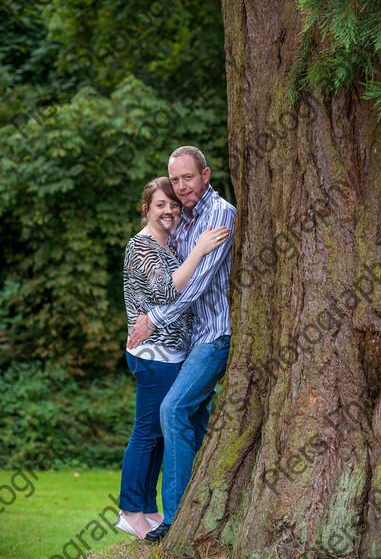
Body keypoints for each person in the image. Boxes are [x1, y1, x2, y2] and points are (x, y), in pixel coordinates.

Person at [127, 146, 236, 541]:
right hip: (189, 341)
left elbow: (197, 285)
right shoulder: (184, 220)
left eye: (187, 177)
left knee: (172, 410)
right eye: (175, 180)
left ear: (205, 175)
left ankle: (174, 518)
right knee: (197, 423)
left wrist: (154, 320)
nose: (181, 186)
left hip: (214, 336)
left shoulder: (218, 214)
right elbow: (168, 277)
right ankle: (207, 505)